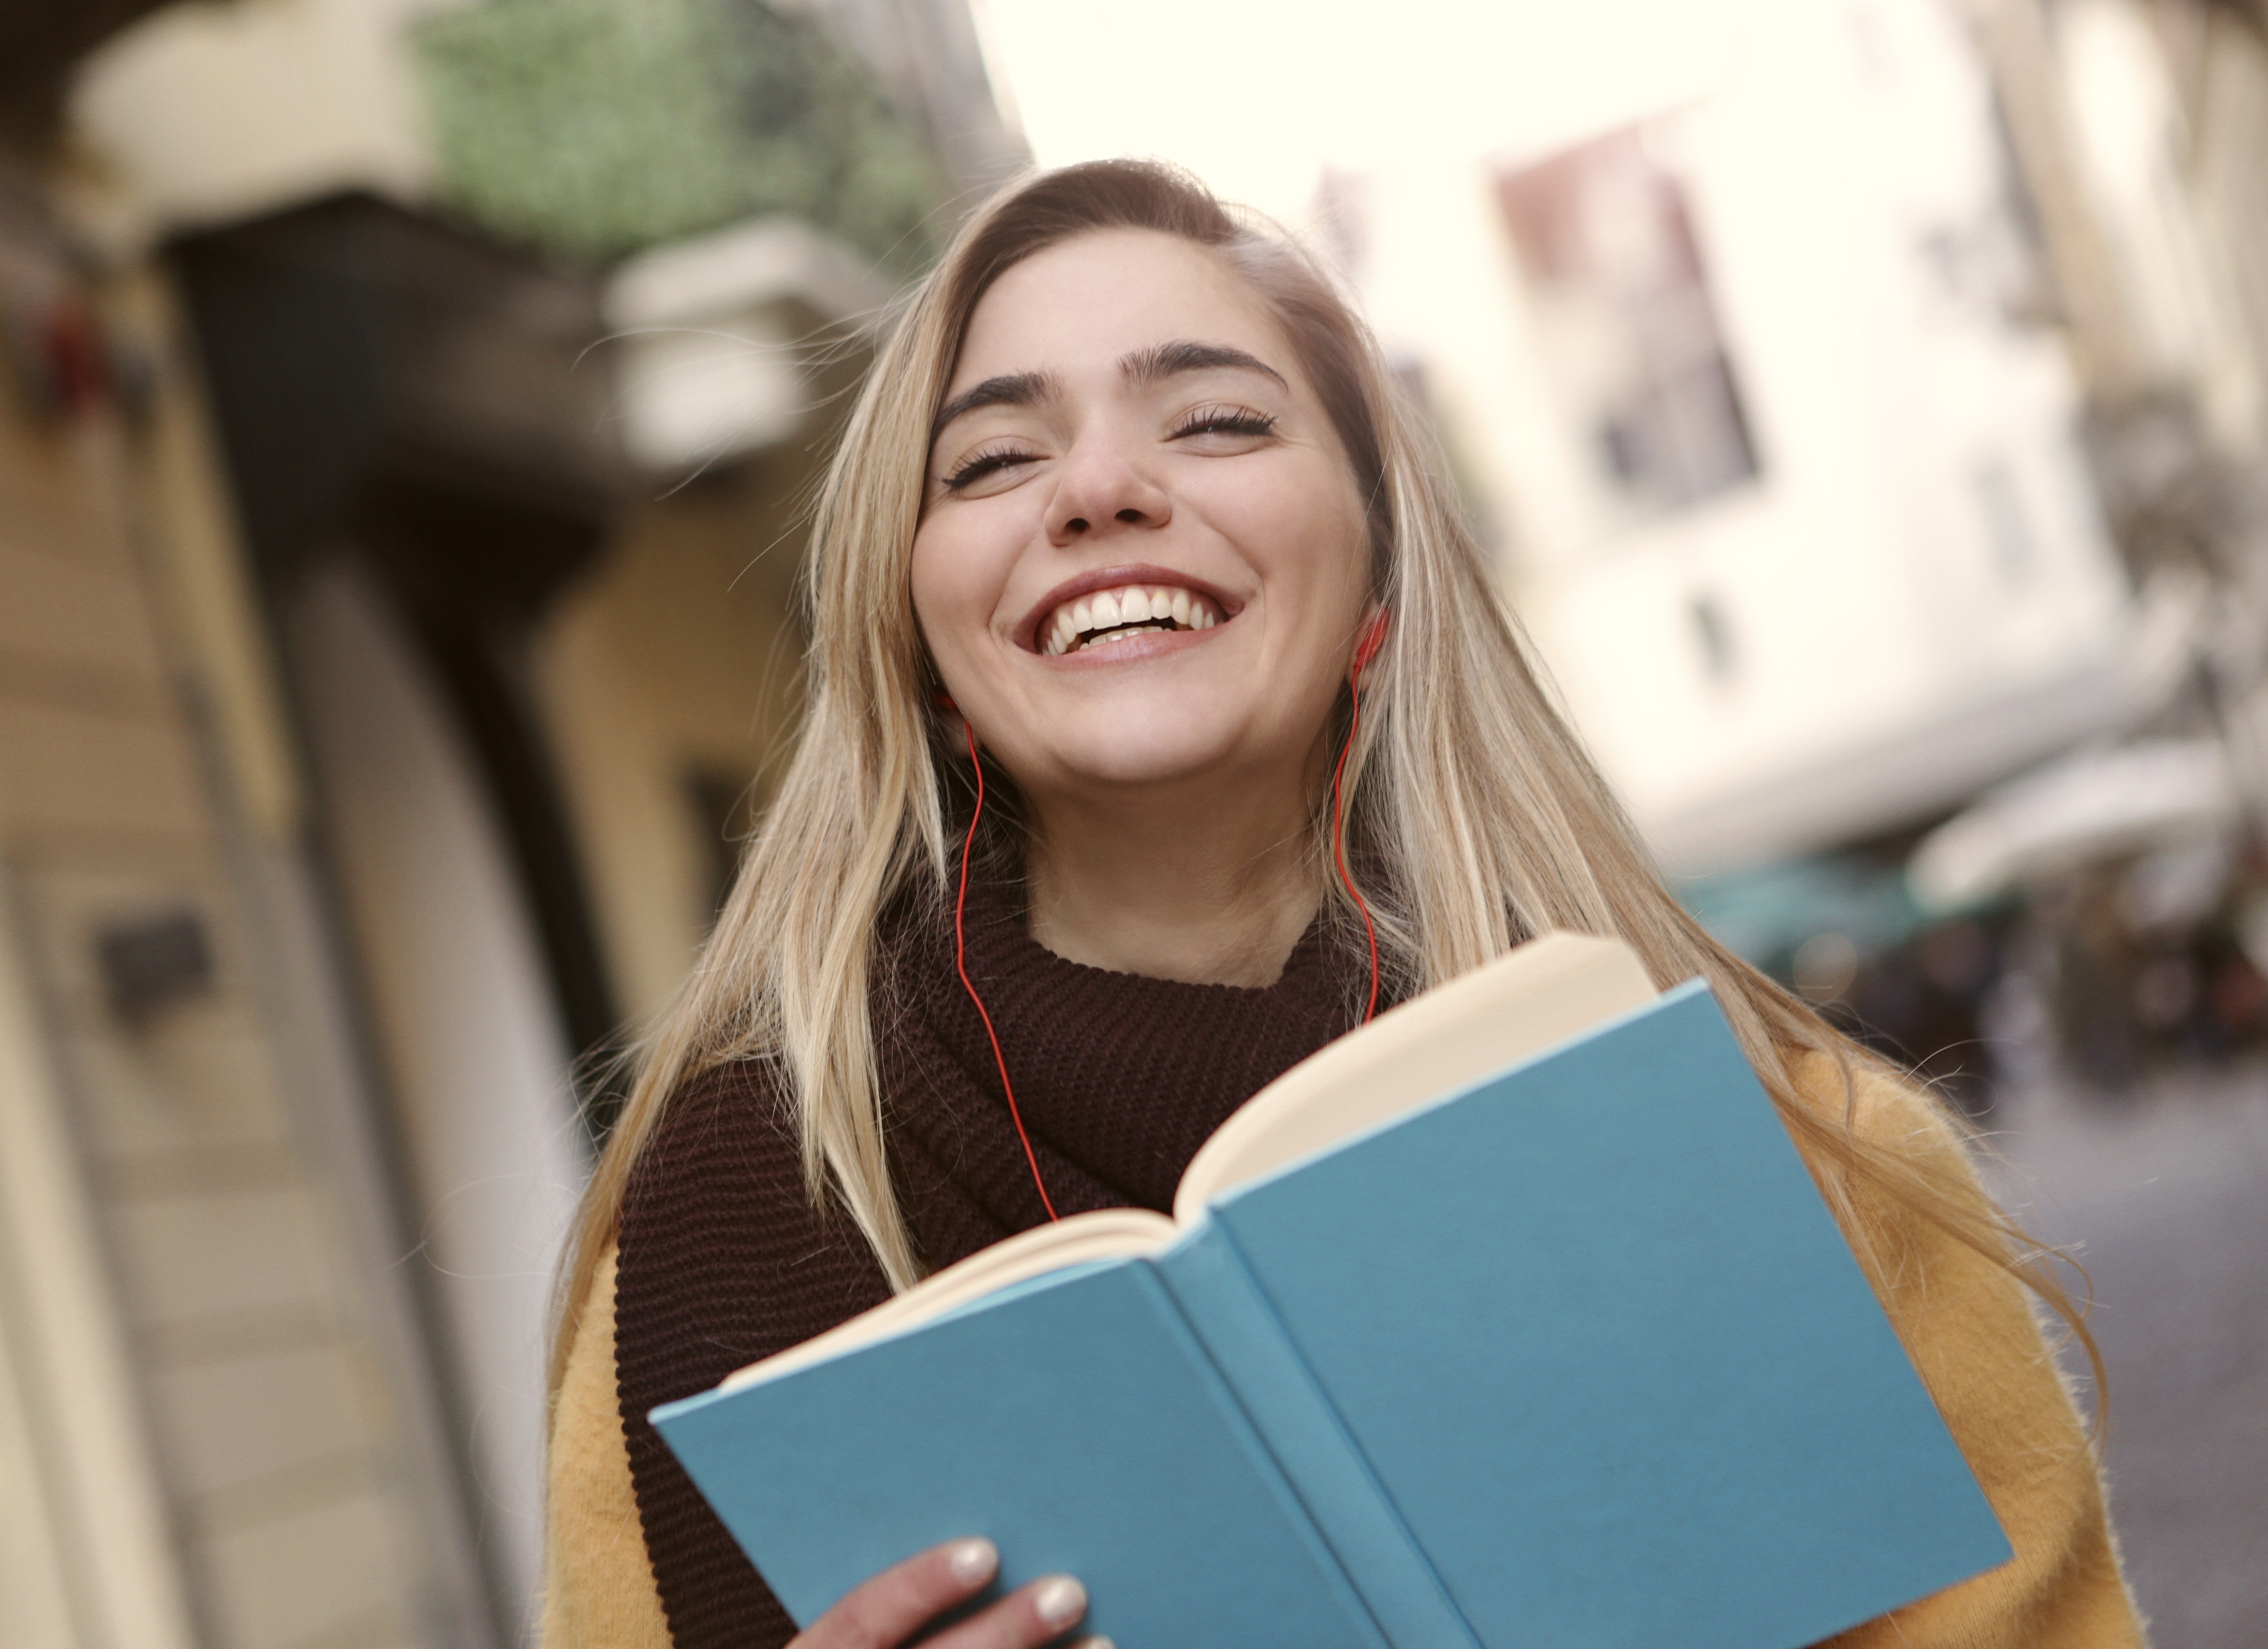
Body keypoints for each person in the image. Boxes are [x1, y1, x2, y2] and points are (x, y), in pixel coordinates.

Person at [540, 160, 2144, 1649]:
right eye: (996, 458)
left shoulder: (1806, 1164)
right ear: (922, 639)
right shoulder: (716, 1245)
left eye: (1219, 422)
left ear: (1378, 580)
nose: (1097, 487)